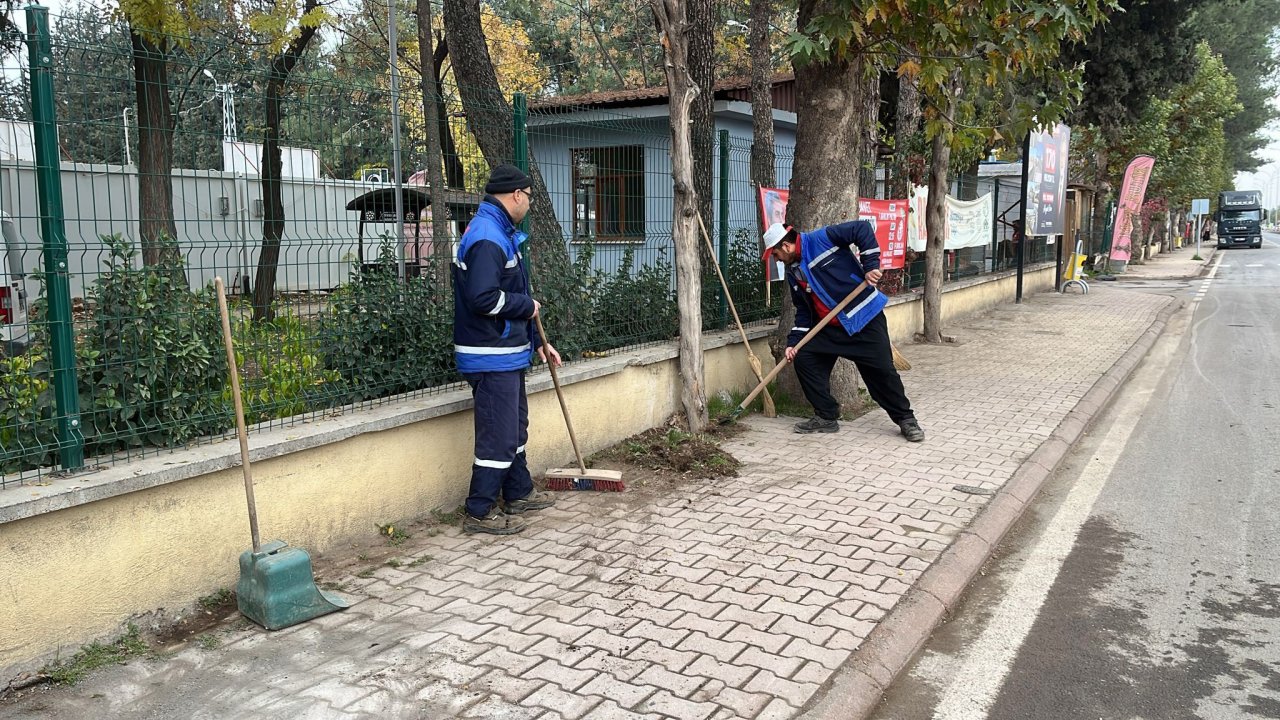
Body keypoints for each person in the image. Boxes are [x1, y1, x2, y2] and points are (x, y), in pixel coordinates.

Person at [453, 164, 561, 535]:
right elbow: (484, 297)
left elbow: (510, 293)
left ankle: (518, 492)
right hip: (490, 355)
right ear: (516, 195)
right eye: (529, 198)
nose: (529, 205)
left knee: (513, 428)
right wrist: (526, 306)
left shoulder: (498, 231)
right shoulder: (487, 236)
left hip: (506, 352)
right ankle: (479, 511)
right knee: (498, 436)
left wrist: (538, 343)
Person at [761, 221, 925, 442]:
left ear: (786, 246)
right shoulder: (793, 272)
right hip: (829, 328)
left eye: (775, 254)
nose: (776, 259)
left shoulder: (821, 239)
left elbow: (862, 229)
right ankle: (826, 416)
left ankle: (906, 419)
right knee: (805, 356)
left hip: (863, 319)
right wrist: (794, 342)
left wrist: (870, 265)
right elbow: (804, 311)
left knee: (882, 374)